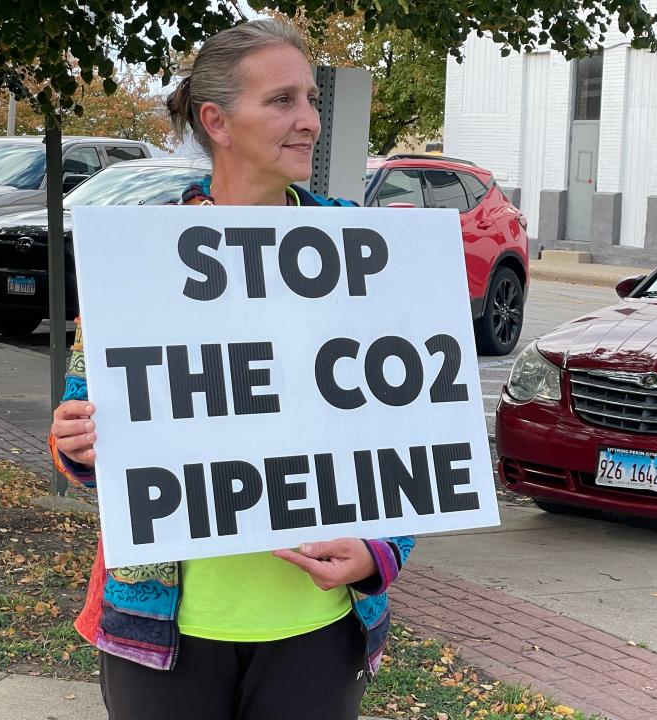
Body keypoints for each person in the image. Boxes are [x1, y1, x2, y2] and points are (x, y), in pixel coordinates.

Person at [48, 19, 414, 720]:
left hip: (314, 626)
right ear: (216, 119)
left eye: (310, 98)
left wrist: (378, 550)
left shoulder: (362, 251)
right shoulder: (142, 256)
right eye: (281, 101)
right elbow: (84, 424)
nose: (308, 119)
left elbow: (409, 433)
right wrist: (76, 444)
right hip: (166, 630)